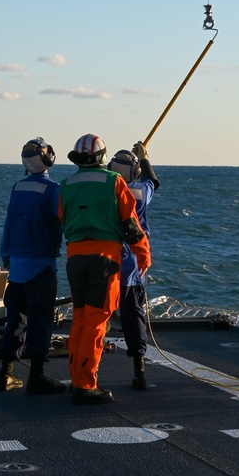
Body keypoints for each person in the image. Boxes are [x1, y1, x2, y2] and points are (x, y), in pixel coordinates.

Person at [58, 132, 149, 404]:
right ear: (102, 157)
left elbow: (62, 217)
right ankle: (86, 385)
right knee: (97, 321)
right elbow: (131, 225)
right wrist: (143, 256)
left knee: (81, 318)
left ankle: (77, 378)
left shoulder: (66, 184)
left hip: (75, 257)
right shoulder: (114, 181)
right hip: (105, 258)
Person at [0, 136, 67, 396]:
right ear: (48, 158)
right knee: (41, 321)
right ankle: (36, 377)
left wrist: (7, 256)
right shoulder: (54, 190)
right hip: (42, 266)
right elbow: (63, 221)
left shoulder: (17, 188)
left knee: (15, 319)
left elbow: (8, 226)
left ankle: (6, 373)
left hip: (16, 265)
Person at [108, 140, 159, 390]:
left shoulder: (105, 190)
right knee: (134, 317)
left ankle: (88, 374)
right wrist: (145, 158)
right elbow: (154, 183)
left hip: (105, 262)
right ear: (135, 171)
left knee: (97, 319)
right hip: (133, 266)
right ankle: (139, 371)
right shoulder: (140, 191)